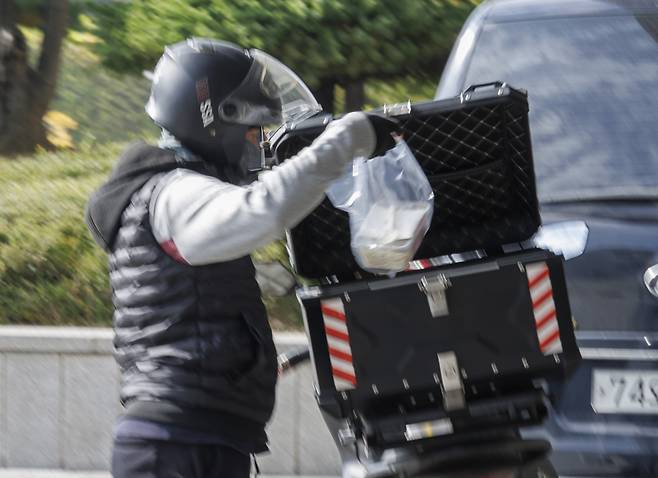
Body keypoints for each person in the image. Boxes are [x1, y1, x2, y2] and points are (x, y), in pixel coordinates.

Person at [85, 38, 399, 478]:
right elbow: (262, 210)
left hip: (201, 439)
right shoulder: (174, 192)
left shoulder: (177, 191)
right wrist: (348, 139)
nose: (259, 144)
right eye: (254, 131)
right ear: (216, 117)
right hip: (178, 447)